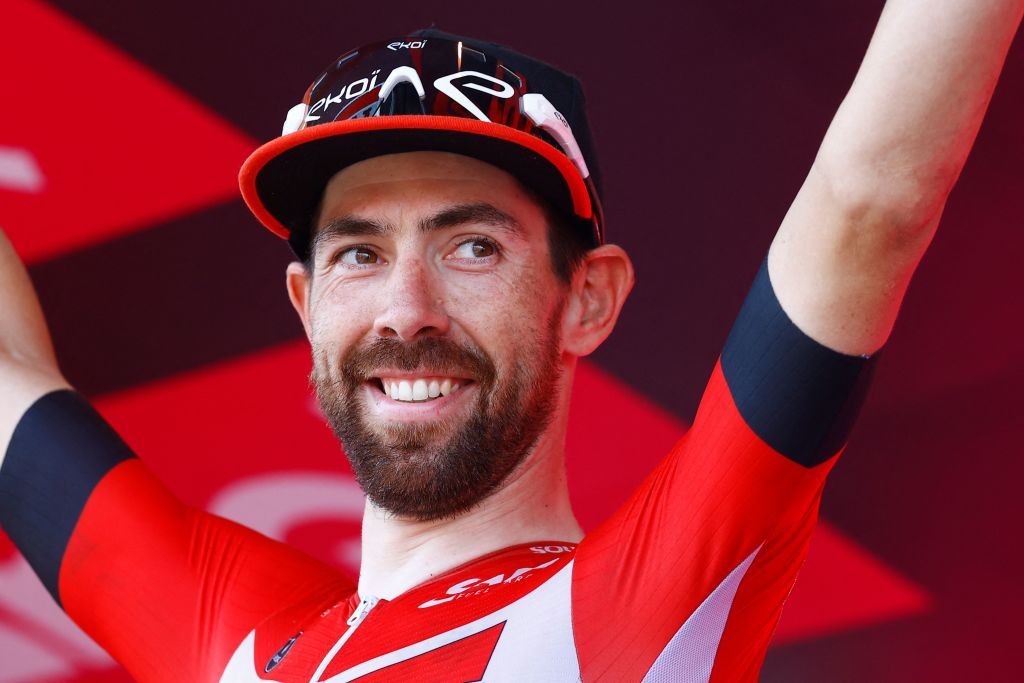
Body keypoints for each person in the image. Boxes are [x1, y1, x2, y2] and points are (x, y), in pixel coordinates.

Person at [1, 3, 1021, 681]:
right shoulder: (235, 641)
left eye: (472, 245)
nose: (406, 308)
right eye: (359, 253)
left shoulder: (631, 613)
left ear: (588, 298)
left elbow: (868, 202)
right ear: (306, 306)